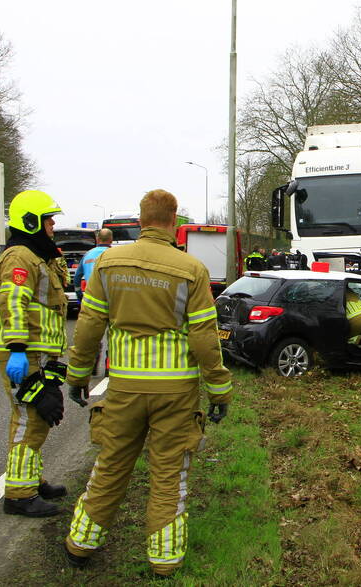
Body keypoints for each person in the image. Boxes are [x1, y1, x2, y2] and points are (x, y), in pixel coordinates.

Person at [62, 189, 233, 578]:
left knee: (110, 466)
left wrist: (78, 375)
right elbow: (204, 336)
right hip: (176, 392)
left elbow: (89, 326)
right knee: (170, 474)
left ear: (141, 221)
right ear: (174, 221)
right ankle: (164, 560)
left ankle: (81, 545)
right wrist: (219, 388)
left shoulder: (107, 263)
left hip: (123, 389)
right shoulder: (191, 269)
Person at [0, 189, 69, 517]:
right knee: (29, 418)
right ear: (31, 221)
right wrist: (18, 350)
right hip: (25, 351)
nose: (53, 223)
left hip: (39, 350)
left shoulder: (39, 255)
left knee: (40, 418)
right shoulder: (19, 257)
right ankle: (19, 496)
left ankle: (31, 481)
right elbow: (12, 302)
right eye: (47, 218)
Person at [72, 228, 113, 374]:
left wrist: (79, 296)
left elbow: (77, 278)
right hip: (112, 299)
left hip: (92, 300)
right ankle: (109, 365)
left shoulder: (88, 255)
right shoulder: (113, 254)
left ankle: (93, 365)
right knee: (112, 333)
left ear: (97, 240)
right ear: (111, 240)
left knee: (91, 334)